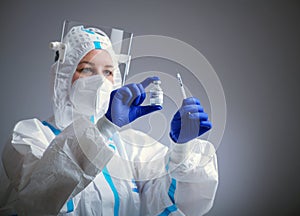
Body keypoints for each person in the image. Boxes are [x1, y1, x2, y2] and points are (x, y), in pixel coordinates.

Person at [0, 25, 218, 216]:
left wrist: (181, 148)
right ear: (63, 75)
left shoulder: (133, 146)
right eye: (86, 69)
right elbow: (38, 201)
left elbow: (170, 202)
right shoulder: (31, 135)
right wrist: (104, 128)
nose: (99, 81)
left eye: (108, 71)